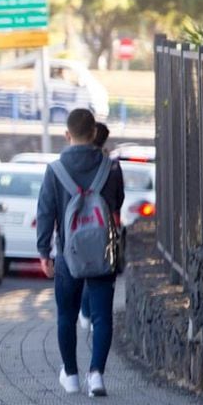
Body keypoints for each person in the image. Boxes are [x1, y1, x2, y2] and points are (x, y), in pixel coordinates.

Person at [36, 109, 124, 397]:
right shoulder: (111, 168)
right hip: (102, 252)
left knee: (66, 315)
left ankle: (71, 375)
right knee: (102, 317)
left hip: (67, 254)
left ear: (67, 134)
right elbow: (117, 202)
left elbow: (46, 212)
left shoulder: (55, 170)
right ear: (95, 133)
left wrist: (44, 252)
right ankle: (96, 375)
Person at [78, 121, 111, 332]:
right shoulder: (110, 166)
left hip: (76, 230)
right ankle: (94, 318)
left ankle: (84, 311)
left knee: (83, 274)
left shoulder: (71, 164)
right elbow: (118, 199)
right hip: (103, 230)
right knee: (98, 275)